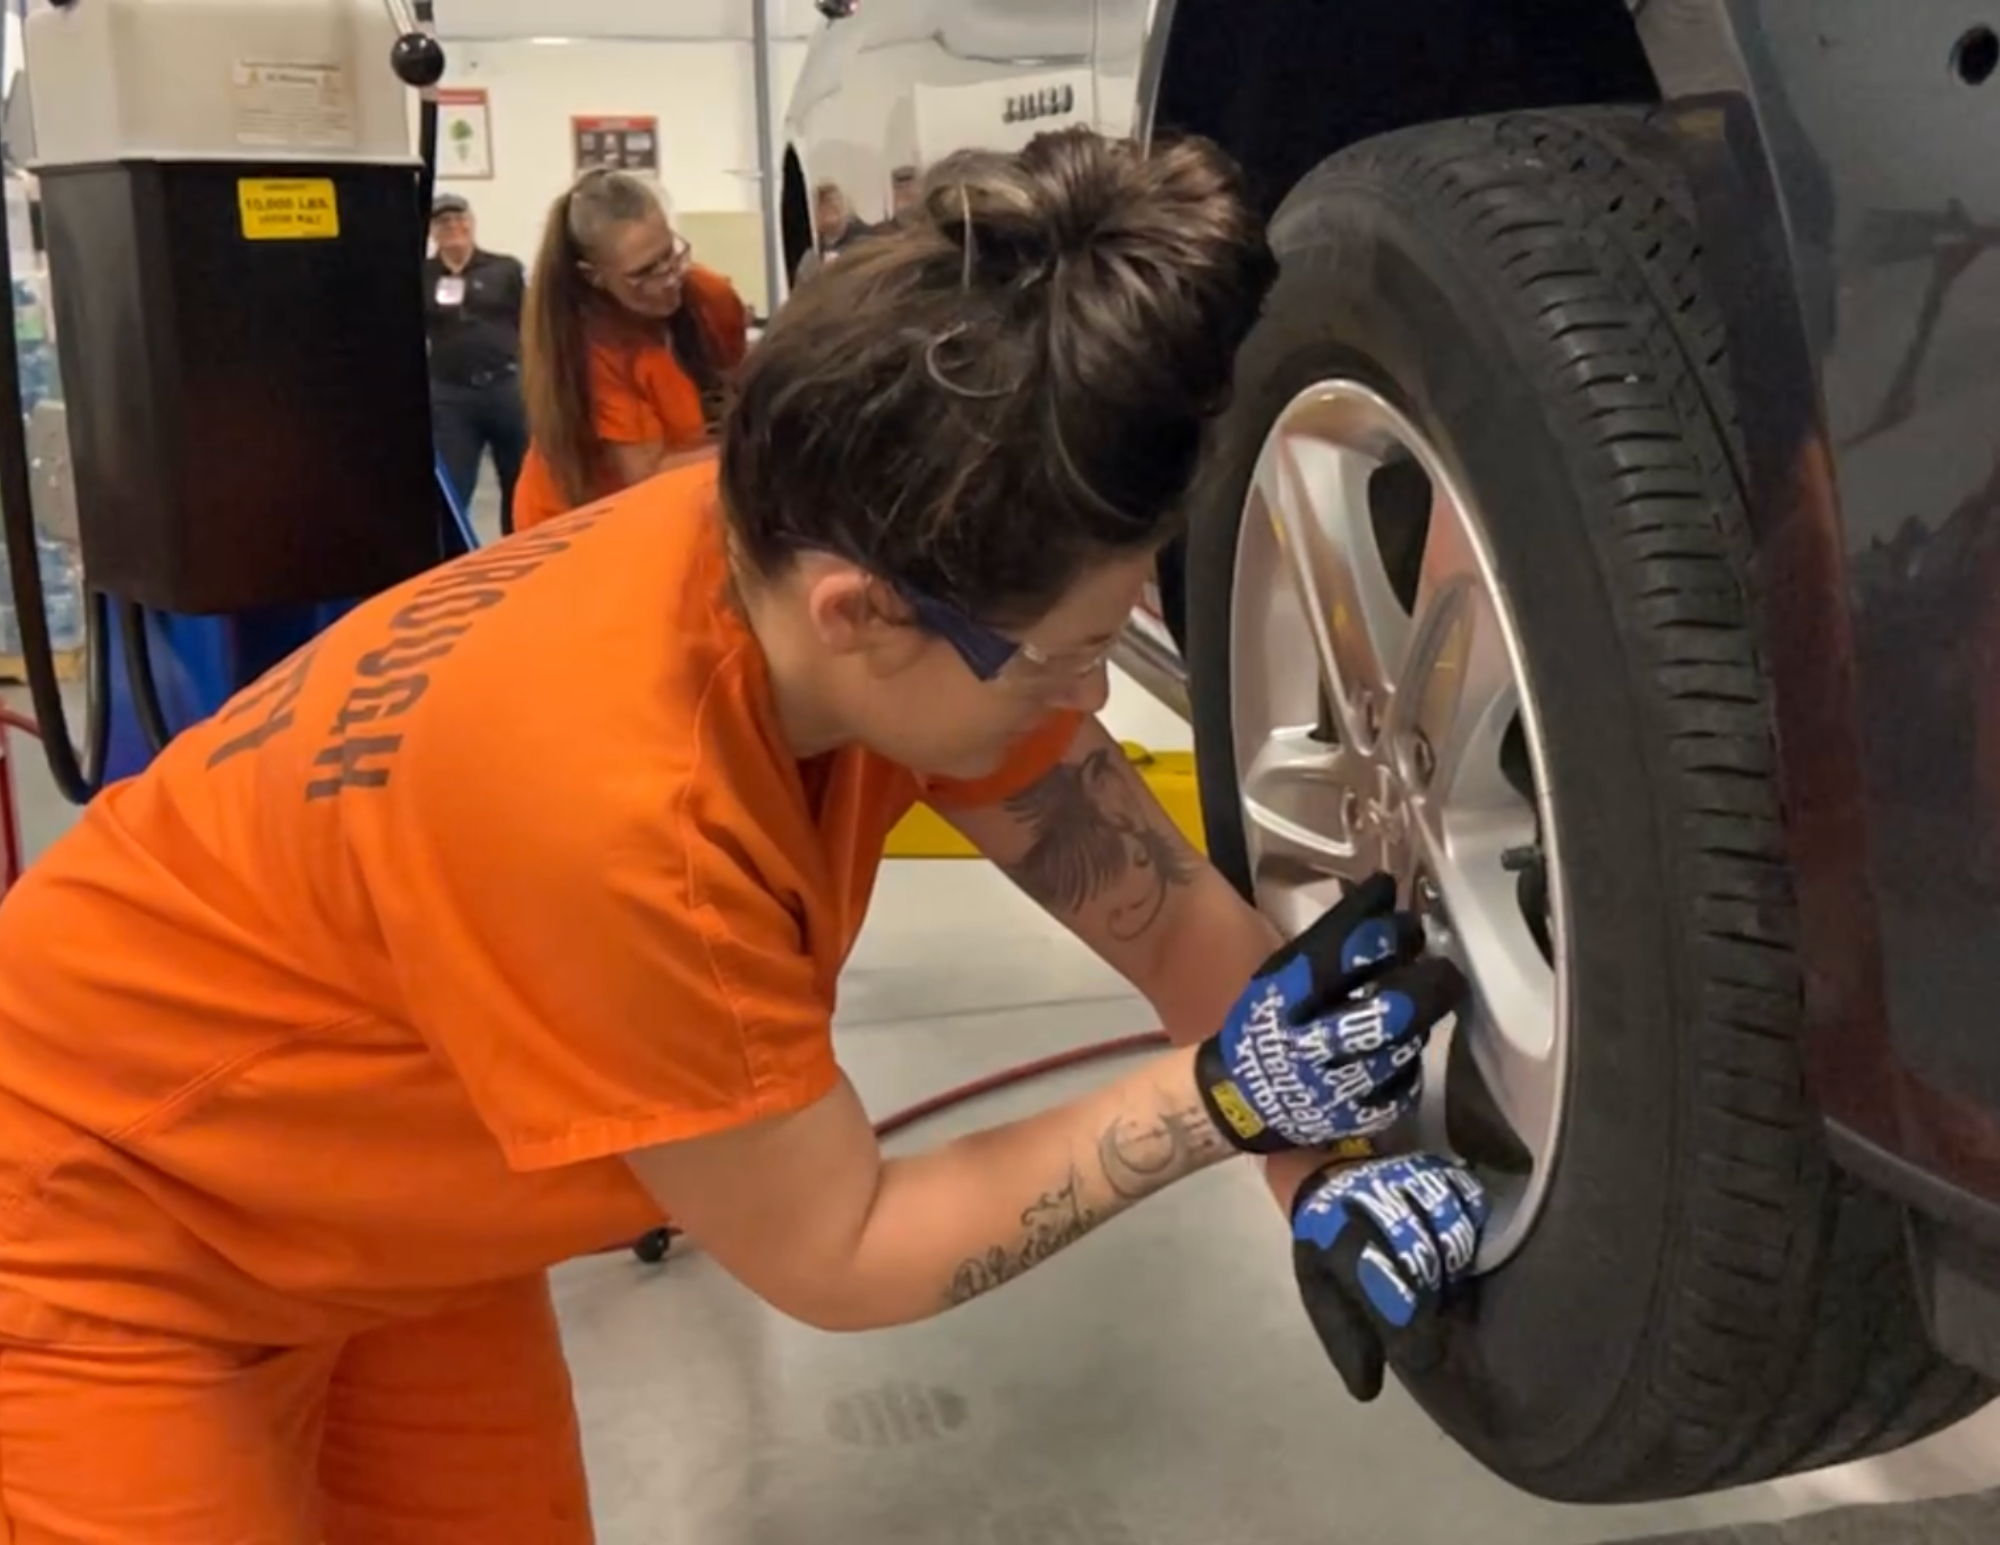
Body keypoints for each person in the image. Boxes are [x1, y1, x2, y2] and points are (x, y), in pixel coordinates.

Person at [0, 127, 1486, 1540]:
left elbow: (1163, 923)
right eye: (1062, 660)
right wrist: (1217, 1105)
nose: (1087, 698)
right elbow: (842, 1245)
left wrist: (1326, 1162)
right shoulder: (626, 821)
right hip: (102, 1228)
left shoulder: (855, 530)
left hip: (392, 1220)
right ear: (863, 614)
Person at [512, 168, 750, 532]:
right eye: (643, 273)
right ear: (594, 276)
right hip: (576, 526)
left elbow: (737, 396)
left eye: (670, 254)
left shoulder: (711, 299)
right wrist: (761, 448)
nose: (669, 279)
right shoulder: (594, 352)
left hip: (678, 503)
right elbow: (648, 475)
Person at [424, 193, 531, 534]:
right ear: (432, 231)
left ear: (472, 223)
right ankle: (453, 559)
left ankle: (523, 556)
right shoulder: (421, 275)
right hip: (451, 397)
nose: (454, 226)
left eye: (460, 219)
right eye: (443, 222)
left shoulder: (506, 269)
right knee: (452, 486)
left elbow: (530, 323)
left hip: (507, 390)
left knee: (521, 483)